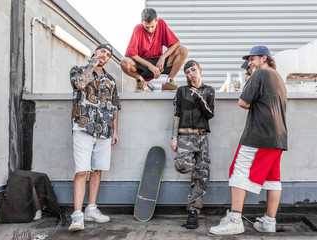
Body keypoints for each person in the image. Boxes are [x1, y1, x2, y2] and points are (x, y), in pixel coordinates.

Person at [210, 46, 287, 235]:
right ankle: (269, 222)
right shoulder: (279, 78)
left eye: (252, 59)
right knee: (273, 179)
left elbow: (243, 102)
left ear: (264, 58)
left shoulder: (260, 74)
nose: (250, 63)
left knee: (239, 171)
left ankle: (235, 219)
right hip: (278, 138)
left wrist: (249, 82)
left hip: (258, 135)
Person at [68, 43, 121, 231]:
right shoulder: (79, 70)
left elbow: (114, 107)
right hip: (83, 127)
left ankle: (91, 208)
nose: (104, 55)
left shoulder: (111, 80)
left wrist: (115, 131)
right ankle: (77, 216)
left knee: (97, 170)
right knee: (82, 171)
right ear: (94, 52)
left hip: (105, 130)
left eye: (108, 54)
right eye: (102, 51)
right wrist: (92, 63)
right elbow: (80, 84)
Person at [171, 60, 215, 229]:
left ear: (200, 70)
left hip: (202, 136)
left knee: (202, 173)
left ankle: (193, 211)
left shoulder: (208, 90)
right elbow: (176, 115)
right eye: (188, 71)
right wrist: (174, 137)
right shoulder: (181, 91)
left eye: (193, 70)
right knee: (182, 165)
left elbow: (210, 114)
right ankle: (193, 206)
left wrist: (200, 97)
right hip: (185, 136)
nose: (191, 73)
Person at [121, 8, 188, 92]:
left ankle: (169, 81)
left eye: (152, 26)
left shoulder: (161, 24)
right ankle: (140, 82)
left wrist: (163, 57)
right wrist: (150, 65)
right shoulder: (138, 29)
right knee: (124, 62)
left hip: (159, 63)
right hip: (143, 65)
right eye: (147, 27)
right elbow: (131, 54)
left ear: (156, 20)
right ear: (142, 21)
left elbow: (177, 43)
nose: (150, 30)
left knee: (183, 50)